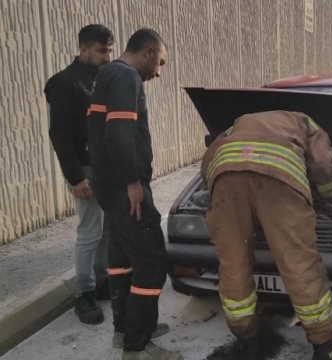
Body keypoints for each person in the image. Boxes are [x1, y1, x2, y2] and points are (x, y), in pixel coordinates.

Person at [201, 110, 332, 360]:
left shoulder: (240, 122)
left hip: (227, 181)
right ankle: (326, 345)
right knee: (299, 264)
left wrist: (220, 191)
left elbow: (208, 162)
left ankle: (247, 342)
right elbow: (324, 165)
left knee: (233, 264)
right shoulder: (306, 122)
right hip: (280, 183)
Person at [87, 28, 180, 360]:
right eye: (161, 63)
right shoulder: (126, 77)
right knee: (152, 260)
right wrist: (132, 184)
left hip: (107, 184)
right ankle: (137, 347)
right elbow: (119, 133)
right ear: (149, 52)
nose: (159, 72)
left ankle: (126, 329)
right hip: (124, 187)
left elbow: (104, 134)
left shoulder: (107, 74)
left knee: (122, 259)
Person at [44, 24, 114, 325]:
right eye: (102, 50)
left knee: (106, 231)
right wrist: (75, 178)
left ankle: (102, 282)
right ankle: (83, 295)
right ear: (83, 49)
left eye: (110, 49)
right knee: (89, 233)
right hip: (85, 169)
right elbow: (59, 134)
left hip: (107, 168)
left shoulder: (100, 80)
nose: (107, 56)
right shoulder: (65, 83)